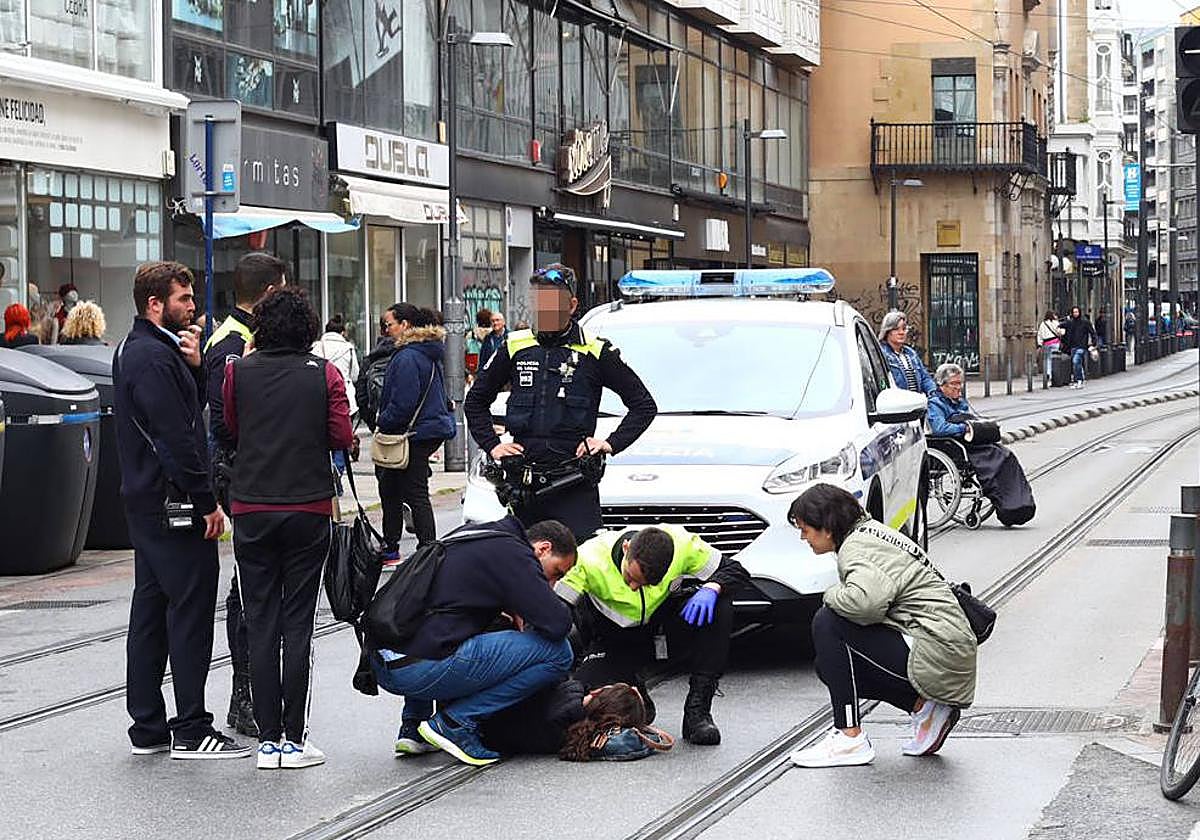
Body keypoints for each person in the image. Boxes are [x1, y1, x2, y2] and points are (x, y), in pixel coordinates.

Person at [112, 261, 251, 760]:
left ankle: (148, 725)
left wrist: (193, 369)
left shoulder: (138, 349)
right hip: (172, 502)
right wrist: (206, 501)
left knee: (150, 610)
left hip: (147, 500)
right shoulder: (153, 358)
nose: (193, 308)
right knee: (190, 610)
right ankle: (192, 727)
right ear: (156, 304)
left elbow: (175, 418)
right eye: (183, 299)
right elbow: (177, 437)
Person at [222, 287, 354, 770]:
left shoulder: (238, 372)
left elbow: (231, 428)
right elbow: (341, 435)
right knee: (298, 623)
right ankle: (294, 741)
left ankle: (267, 741)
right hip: (307, 506)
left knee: (260, 621)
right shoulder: (324, 373)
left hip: (252, 506)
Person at [786, 483, 977, 768]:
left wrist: (828, 594)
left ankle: (849, 737)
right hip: (947, 650)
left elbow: (866, 605)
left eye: (805, 529)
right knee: (829, 665)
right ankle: (924, 709)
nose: (803, 537)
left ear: (826, 527)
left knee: (828, 621)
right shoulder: (872, 533)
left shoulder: (856, 547)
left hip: (937, 650)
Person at [464, 264, 657, 540]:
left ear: (571, 305)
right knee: (522, 561)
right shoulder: (514, 346)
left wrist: (609, 444)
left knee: (581, 563)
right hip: (524, 487)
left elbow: (643, 406)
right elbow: (475, 401)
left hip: (574, 486)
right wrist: (493, 445)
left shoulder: (595, 350)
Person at [370, 516, 577, 767]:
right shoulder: (514, 553)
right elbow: (557, 623)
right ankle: (456, 722)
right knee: (559, 653)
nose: (552, 584)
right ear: (543, 548)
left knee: (436, 621)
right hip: (417, 670)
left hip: (381, 664)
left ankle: (413, 726)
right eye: (556, 572)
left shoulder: (475, 535)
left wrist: (510, 603)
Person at [555, 524, 749, 745]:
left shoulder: (682, 545)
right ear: (626, 548)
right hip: (613, 639)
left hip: (662, 631)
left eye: (645, 584)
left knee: (719, 604)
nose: (634, 587)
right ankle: (633, 684)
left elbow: (736, 571)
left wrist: (712, 587)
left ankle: (698, 713)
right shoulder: (588, 558)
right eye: (630, 577)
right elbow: (557, 609)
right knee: (593, 708)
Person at [202, 251, 287, 739]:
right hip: (245, 479)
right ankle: (244, 694)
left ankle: (258, 690)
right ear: (271, 291)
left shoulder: (252, 337)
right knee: (249, 590)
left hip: (264, 477)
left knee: (263, 588)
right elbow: (223, 423)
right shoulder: (232, 343)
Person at [375, 304, 455, 561]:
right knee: (404, 489)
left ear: (405, 325)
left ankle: (423, 549)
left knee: (403, 491)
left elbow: (403, 403)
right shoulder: (426, 352)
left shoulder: (408, 356)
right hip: (426, 429)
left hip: (411, 433)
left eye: (389, 324)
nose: (386, 330)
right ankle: (412, 547)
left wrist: (382, 420)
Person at [928, 363, 1035, 526]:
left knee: (1007, 456)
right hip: (955, 445)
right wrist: (964, 428)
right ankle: (1008, 506)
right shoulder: (935, 403)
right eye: (954, 384)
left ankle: (1018, 506)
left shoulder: (959, 401)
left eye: (960, 383)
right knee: (996, 460)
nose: (958, 387)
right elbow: (939, 428)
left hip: (969, 442)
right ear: (942, 385)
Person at [480, 678, 663, 761]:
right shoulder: (571, 735)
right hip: (489, 735)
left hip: (482, 715)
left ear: (597, 691)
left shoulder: (564, 689)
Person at [312, 314, 361, 494]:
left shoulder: (317, 346)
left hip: (320, 396)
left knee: (322, 437)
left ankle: (328, 472)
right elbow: (355, 374)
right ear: (342, 332)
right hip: (345, 397)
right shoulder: (348, 348)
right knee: (341, 438)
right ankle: (338, 470)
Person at [355, 306, 405, 431]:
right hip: (409, 426)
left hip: (381, 424)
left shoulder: (371, 358)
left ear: (381, 331)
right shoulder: (408, 354)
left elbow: (361, 397)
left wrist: (373, 423)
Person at [878, 310, 936, 397]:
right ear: (887, 331)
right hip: (895, 403)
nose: (901, 333)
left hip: (916, 403)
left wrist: (932, 392)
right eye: (896, 329)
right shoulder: (881, 354)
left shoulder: (911, 353)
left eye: (904, 329)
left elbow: (925, 378)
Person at [1061, 306, 1096, 389]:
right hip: (1073, 346)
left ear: (1079, 312)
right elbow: (1062, 325)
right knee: (1076, 364)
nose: (1075, 314)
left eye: (1076, 312)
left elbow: (1092, 332)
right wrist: (1058, 328)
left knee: (1075, 361)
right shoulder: (1070, 322)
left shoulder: (1085, 322)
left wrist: (1093, 343)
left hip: (1082, 346)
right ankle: (1077, 380)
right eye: (1074, 312)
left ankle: (1079, 380)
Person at [1035, 310, 1064, 382]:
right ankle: (1054, 374)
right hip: (1055, 342)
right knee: (1055, 358)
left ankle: (1048, 373)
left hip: (1046, 343)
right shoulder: (1055, 322)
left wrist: (1039, 344)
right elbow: (1060, 332)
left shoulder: (1043, 324)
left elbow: (1039, 334)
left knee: (1048, 359)